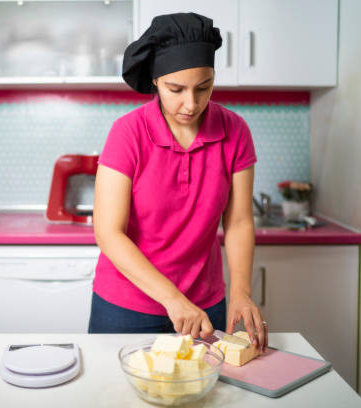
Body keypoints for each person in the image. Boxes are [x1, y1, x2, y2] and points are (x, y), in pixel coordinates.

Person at [89, 12, 268, 351]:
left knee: (208, 399)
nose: (191, 104)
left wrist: (241, 292)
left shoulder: (236, 131)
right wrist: (172, 298)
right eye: (176, 89)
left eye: (204, 87)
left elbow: (240, 220)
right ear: (155, 80)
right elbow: (108, 232)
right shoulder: (128, 133)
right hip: (126, 306)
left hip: (204, 304)